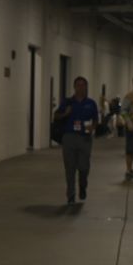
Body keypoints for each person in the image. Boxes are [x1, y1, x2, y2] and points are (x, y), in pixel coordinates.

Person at [52, 76, 99, 204]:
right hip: (69, 137)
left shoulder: (91, 103)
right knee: (70, 168)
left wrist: (93, 127)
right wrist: (65, 114)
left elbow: (96, 119)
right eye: (78, 85)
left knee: (84, 167)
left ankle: (82, 186)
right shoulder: (67, 102)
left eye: (83, 85)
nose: (81, 87)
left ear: (86, 87)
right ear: (74, 87)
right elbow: (56, 116)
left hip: (85, 138)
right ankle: (71, 195)